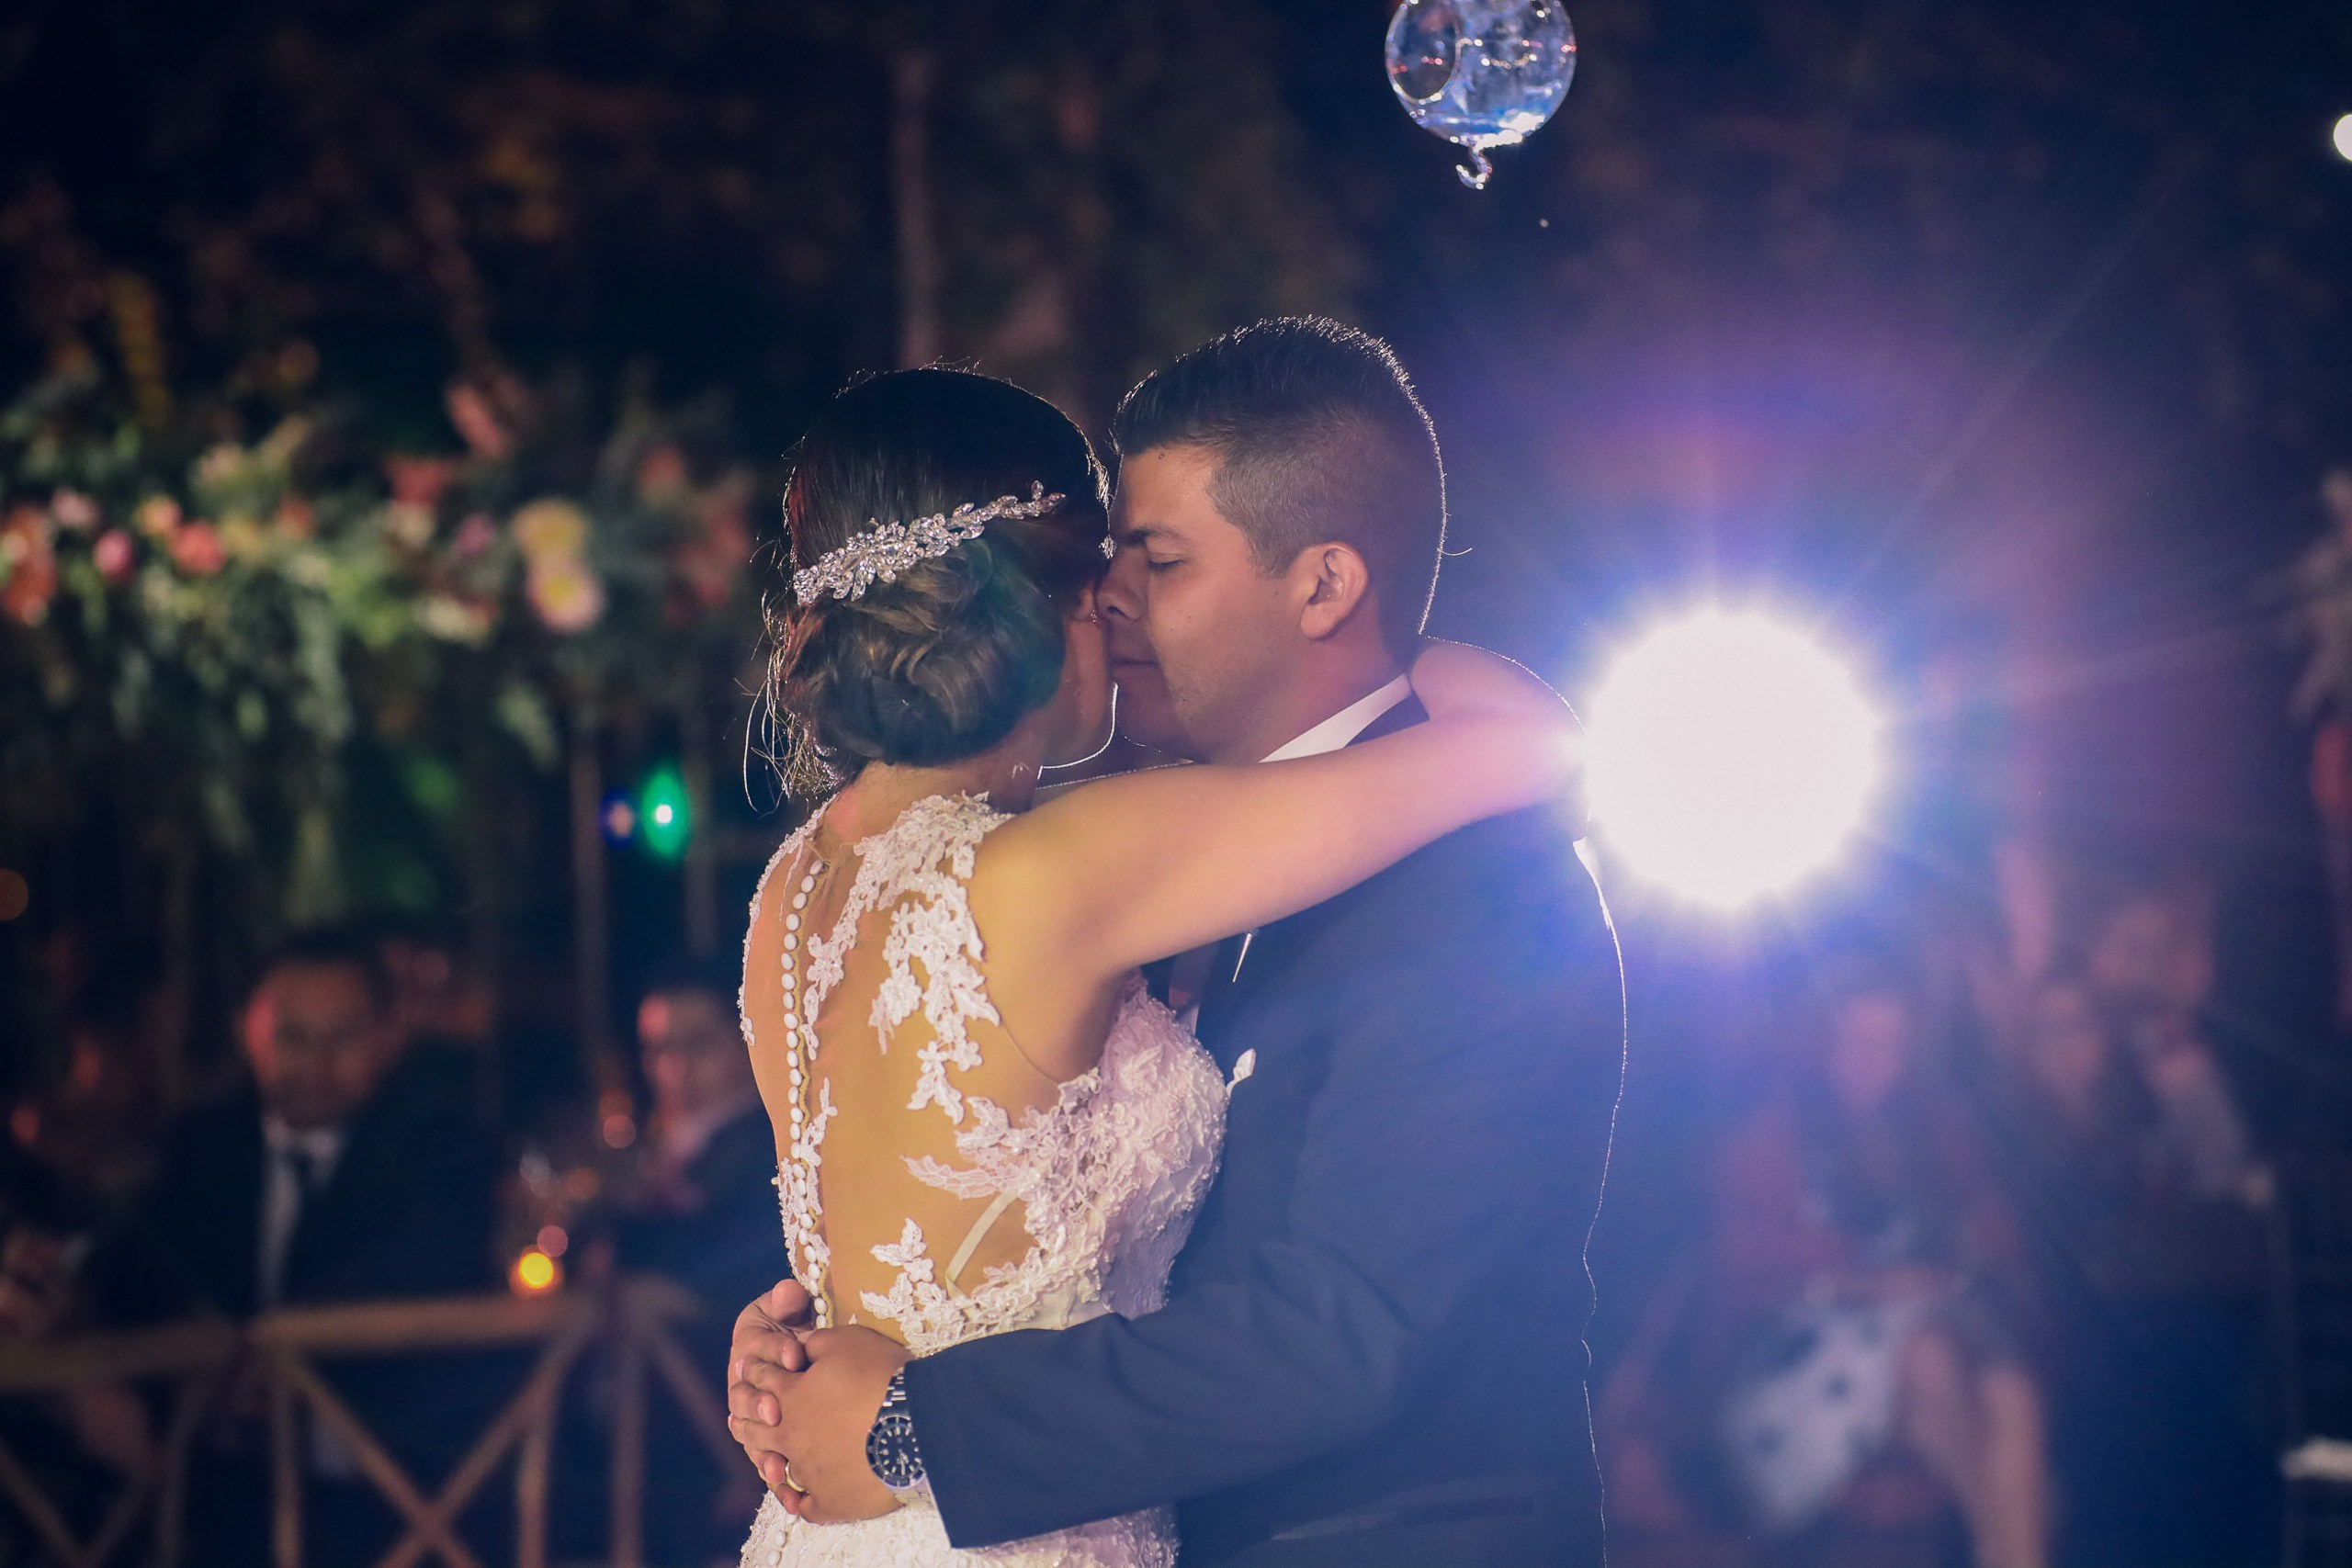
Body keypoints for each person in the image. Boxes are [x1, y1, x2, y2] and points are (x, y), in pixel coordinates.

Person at [726, 321, 1623, 1568]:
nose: (1113, 600)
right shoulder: (1099, 853)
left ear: (1323, 585)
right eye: (1101, 565)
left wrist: (906, 1421)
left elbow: (1347, 1328)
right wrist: (829, 1342)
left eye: (1154, 560)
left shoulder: (1479, 885)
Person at [80, 926, 503, 1566]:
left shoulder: (441, 1145)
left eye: (342, 1037)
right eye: (292, 1037)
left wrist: (273, 1347)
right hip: (222, 1504)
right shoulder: (202, 1148)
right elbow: (138, 1273)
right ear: (247, 1033)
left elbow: (434, 1260)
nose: (316, 1063)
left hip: (397, 1499)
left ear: (388, 1035)